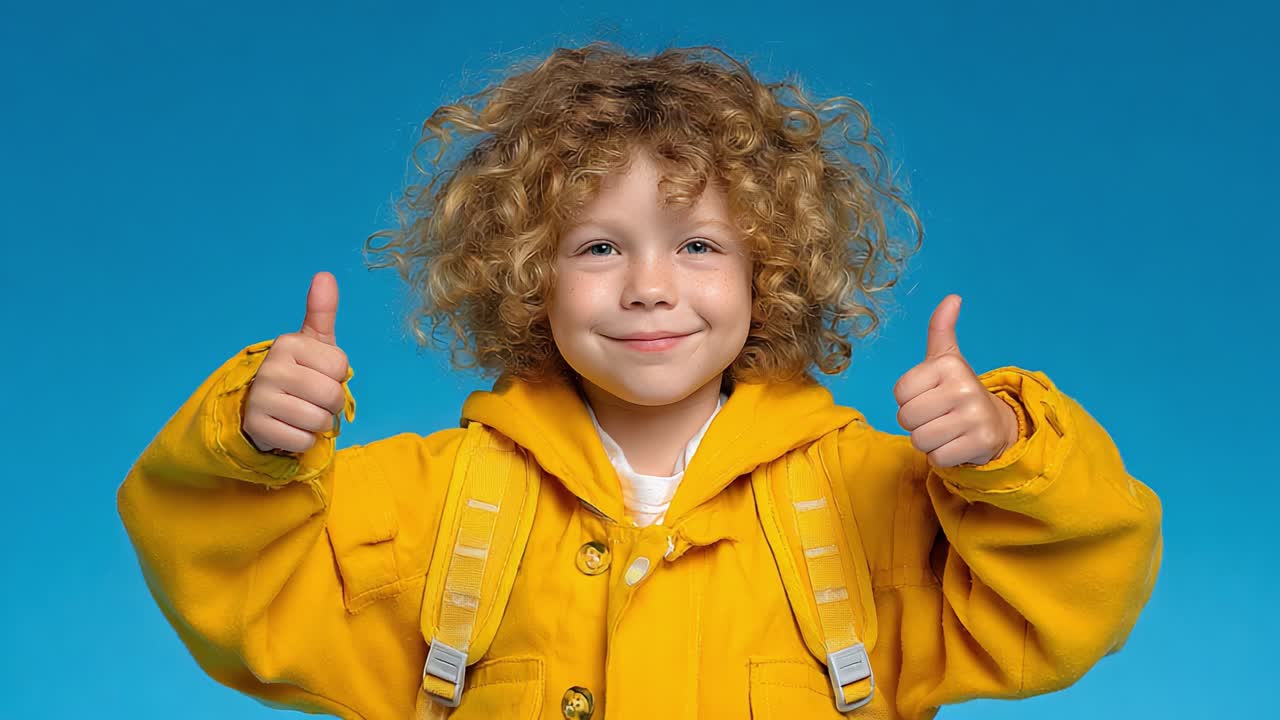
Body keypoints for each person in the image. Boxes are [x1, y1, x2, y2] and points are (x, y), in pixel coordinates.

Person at [116, 42, 1163, 720]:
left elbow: (1065, 603)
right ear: (525, 275)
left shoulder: (871, 499)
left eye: (699, 246)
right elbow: (244, 597)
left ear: (772, 270)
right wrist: (251, 447)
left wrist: (1003, 455)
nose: (651, 288)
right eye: (598, 249)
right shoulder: (434, 502)